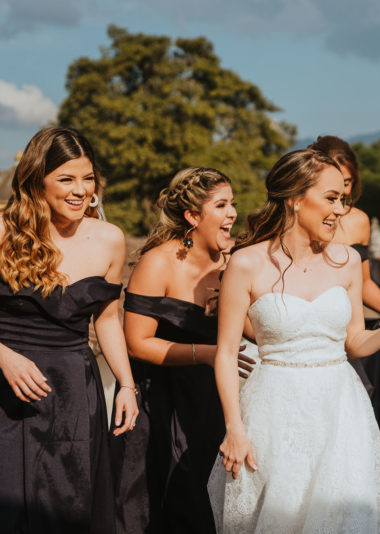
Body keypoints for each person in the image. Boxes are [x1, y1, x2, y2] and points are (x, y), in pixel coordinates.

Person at [207, 148, 380, 533]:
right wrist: (235, 427)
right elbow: (227, 352)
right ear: (296, 199)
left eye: (343, 200)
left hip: (341, 411)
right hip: (273, 411)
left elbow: (353, 343)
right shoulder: (246, 263)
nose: (340, 209)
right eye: (331, 198)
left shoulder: (347, 260)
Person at [0, 126, 139, 534]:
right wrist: (5, 357)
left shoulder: (110, 239)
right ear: (38, 181)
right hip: (7, 394)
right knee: (1, 511)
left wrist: (126, 384)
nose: (81, 190)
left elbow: (107, 319)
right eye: (67, 178)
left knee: (68, 508)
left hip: (75, 395)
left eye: (88, 178)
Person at [112, 167, 254, 533]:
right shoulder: (158, 262)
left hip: (216, 398)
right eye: (221, 205)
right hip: (162, 401)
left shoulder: (236, 260)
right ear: (193, 216)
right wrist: (205, 353)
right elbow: (138, 342)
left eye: (233, 204)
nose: (232, 214)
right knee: (163, 502)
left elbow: (253, 329)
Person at [308, 135, 380, 533]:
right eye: (335, 181)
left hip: (356, 333)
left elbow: (363, 282)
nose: (342, 190)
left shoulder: (358, 221)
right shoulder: (300, 219)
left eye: (347, 182)